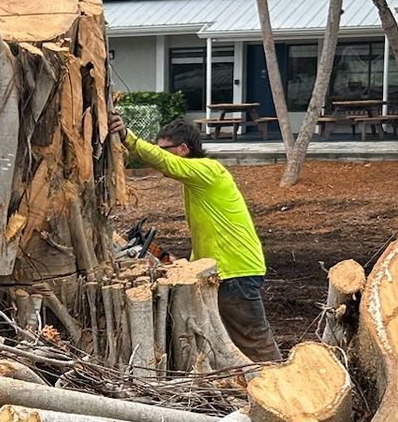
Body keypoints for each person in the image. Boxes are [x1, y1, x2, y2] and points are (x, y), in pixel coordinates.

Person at [113, 114, 283, 365]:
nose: (161, 156)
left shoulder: (207, 170)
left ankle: (285, 390)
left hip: (234, 272)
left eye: (165, 149)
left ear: (182, 150)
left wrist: (128, 138)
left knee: (254, 343)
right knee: (226, 342)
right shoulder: (195, 182)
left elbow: (163, 162)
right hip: (226, 270)